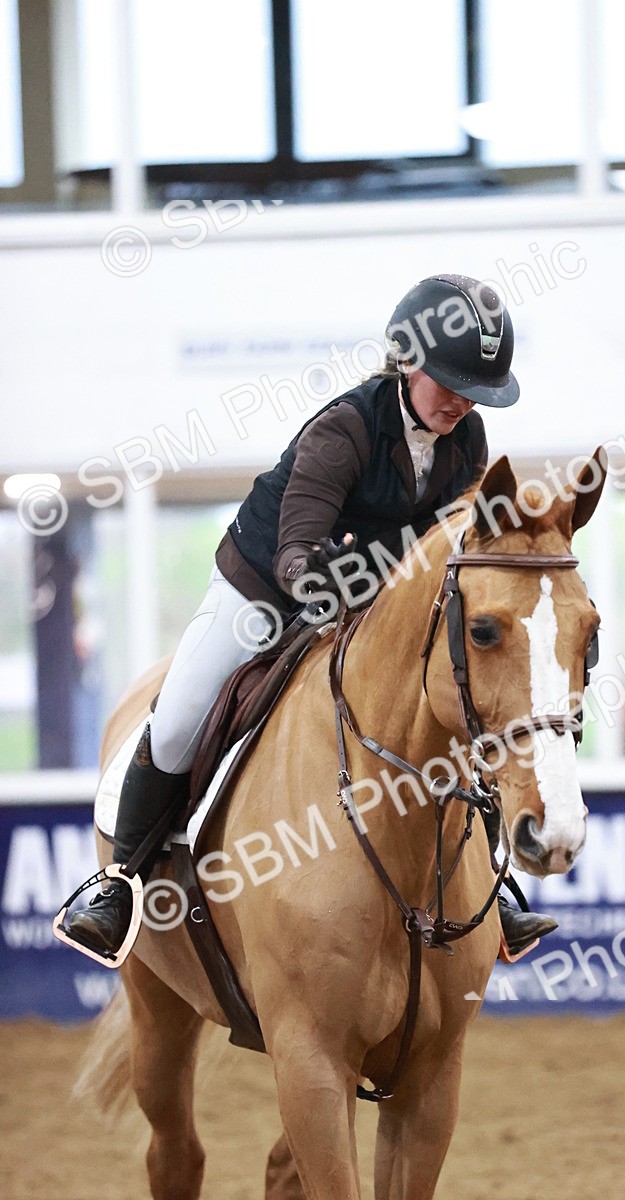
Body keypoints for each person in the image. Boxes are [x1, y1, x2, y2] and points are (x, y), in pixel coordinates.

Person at [66, 274, 557, 956]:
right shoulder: (346, 428)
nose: (462, 402)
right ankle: (118, 882)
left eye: (474, 391)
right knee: (178, 720)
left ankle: (492, 886)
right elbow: (297, 548)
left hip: (371, 603)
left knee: (456, 706)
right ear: (406, 359)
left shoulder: (467, 443)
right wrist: (321, 583)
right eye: (450, 382)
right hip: (264, 589)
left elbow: (451, 550)